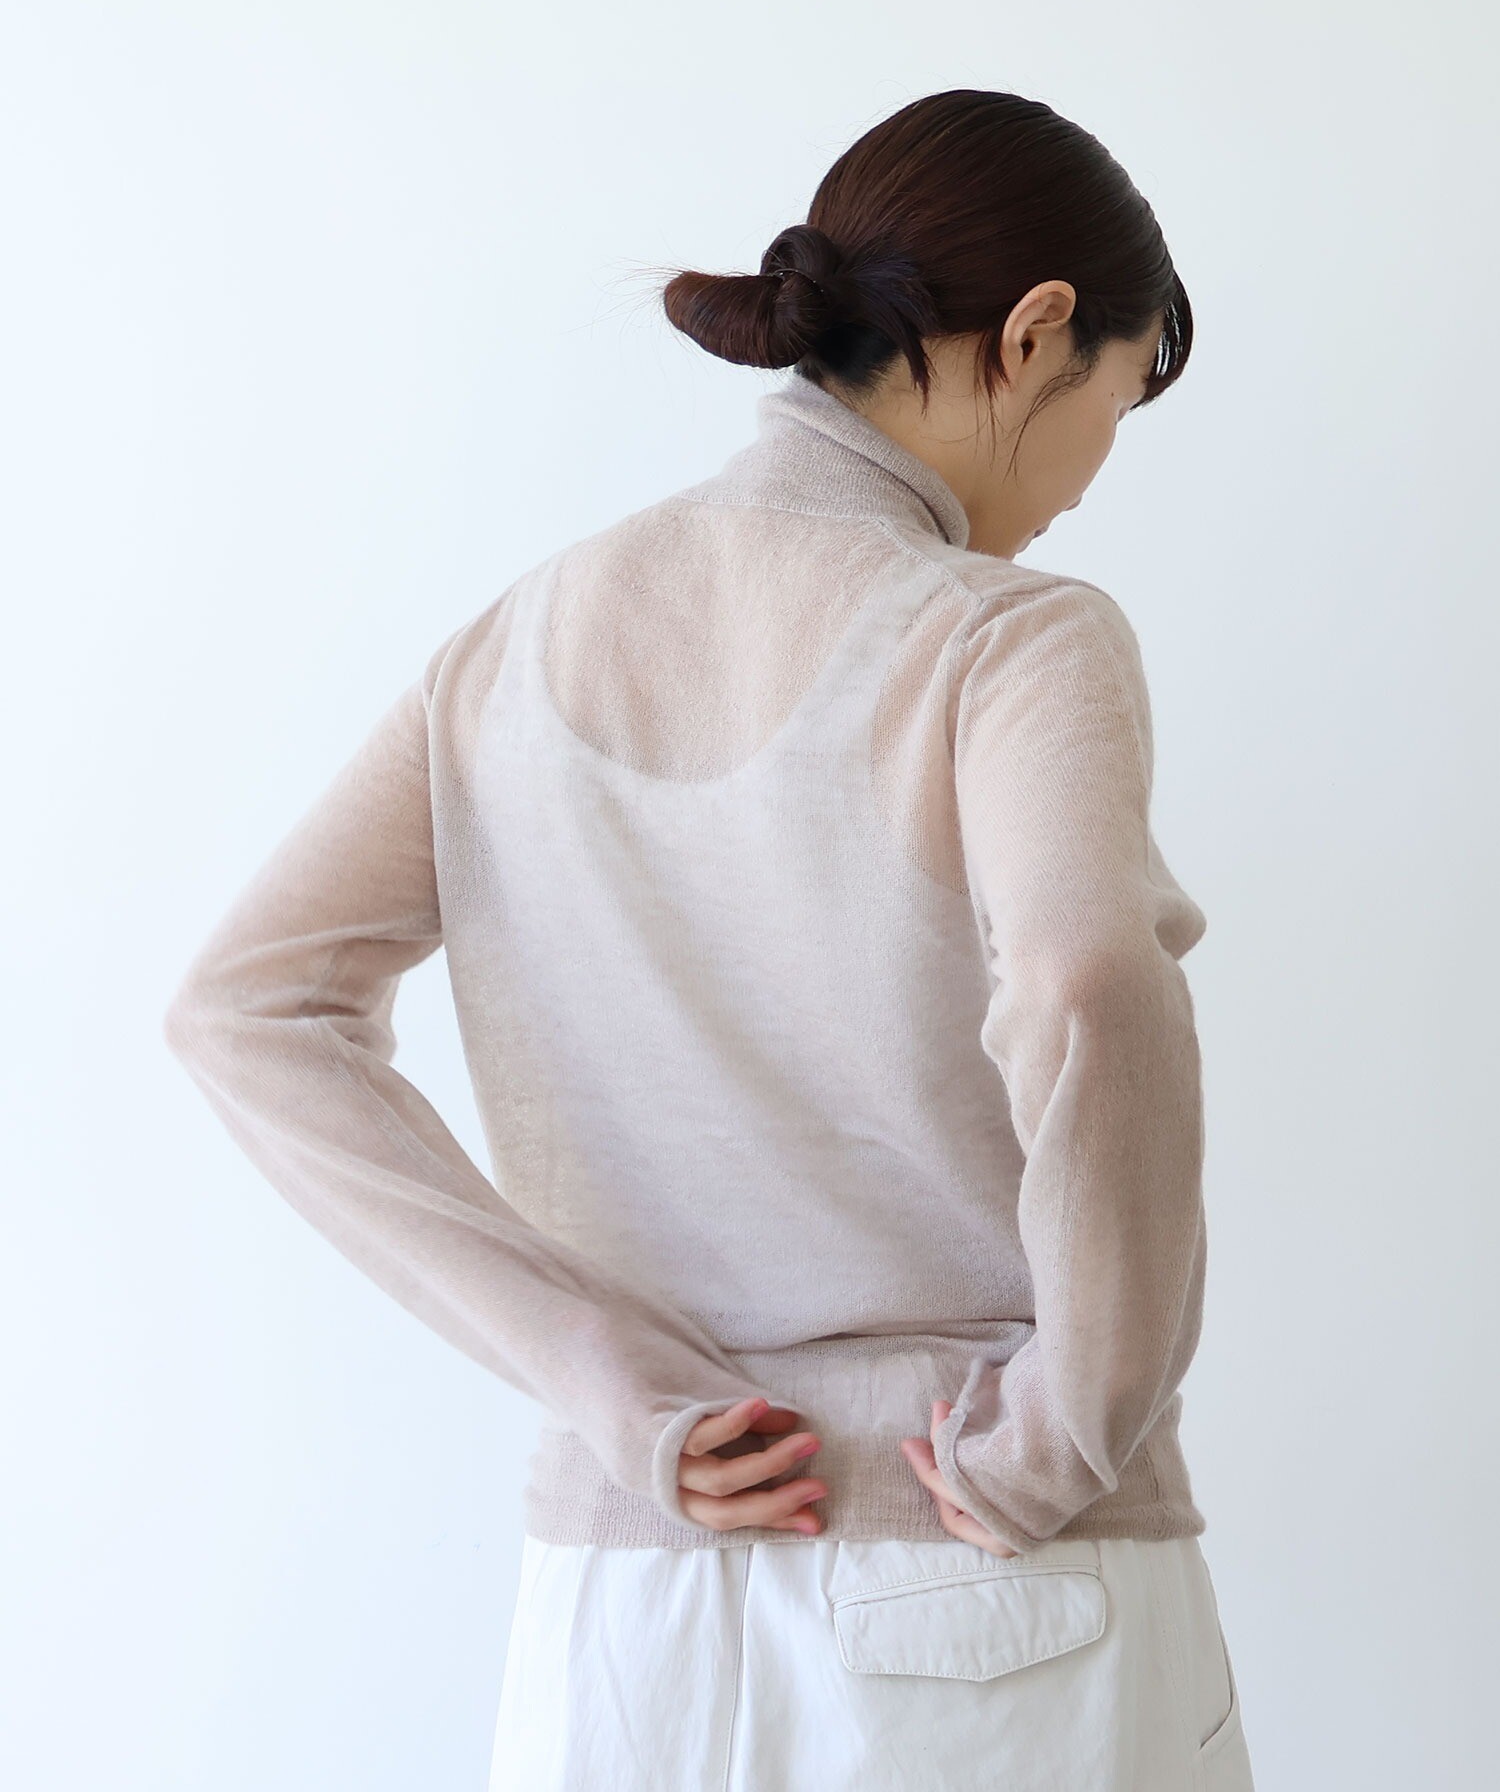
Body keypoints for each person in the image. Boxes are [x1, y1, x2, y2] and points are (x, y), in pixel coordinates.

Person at [163, 86, 1255, 1791]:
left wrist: (606, 1380)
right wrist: (1068, 1431)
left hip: (628, 1602)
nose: (1086, 482)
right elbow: (1090, 981)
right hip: (995, 1582)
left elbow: (245, 1009)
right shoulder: (1011, 640)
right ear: (1038, 334)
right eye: (1117, 399)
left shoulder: (516, 641)